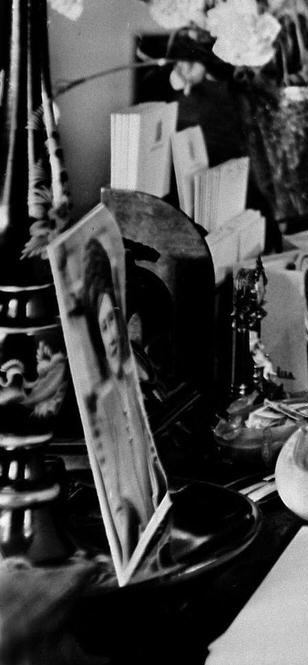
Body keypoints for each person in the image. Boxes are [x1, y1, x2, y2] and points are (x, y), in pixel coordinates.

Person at [78, 237, 167, 570]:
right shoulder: (102, 406)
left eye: (114, 322)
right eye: (104, 327)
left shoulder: (131, 385)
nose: (114, 335)